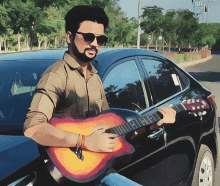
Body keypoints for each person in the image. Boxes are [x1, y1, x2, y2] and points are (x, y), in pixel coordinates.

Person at [23, 6, 176, 186]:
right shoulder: (56, 76)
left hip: (99, 171)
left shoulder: (95, 77)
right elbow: (33, 127)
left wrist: (154, 123)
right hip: (67, 177)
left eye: (100, 39)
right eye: (88, 37)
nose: (95, 43)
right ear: (69, 37)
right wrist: (85, 141)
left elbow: (110, 130)